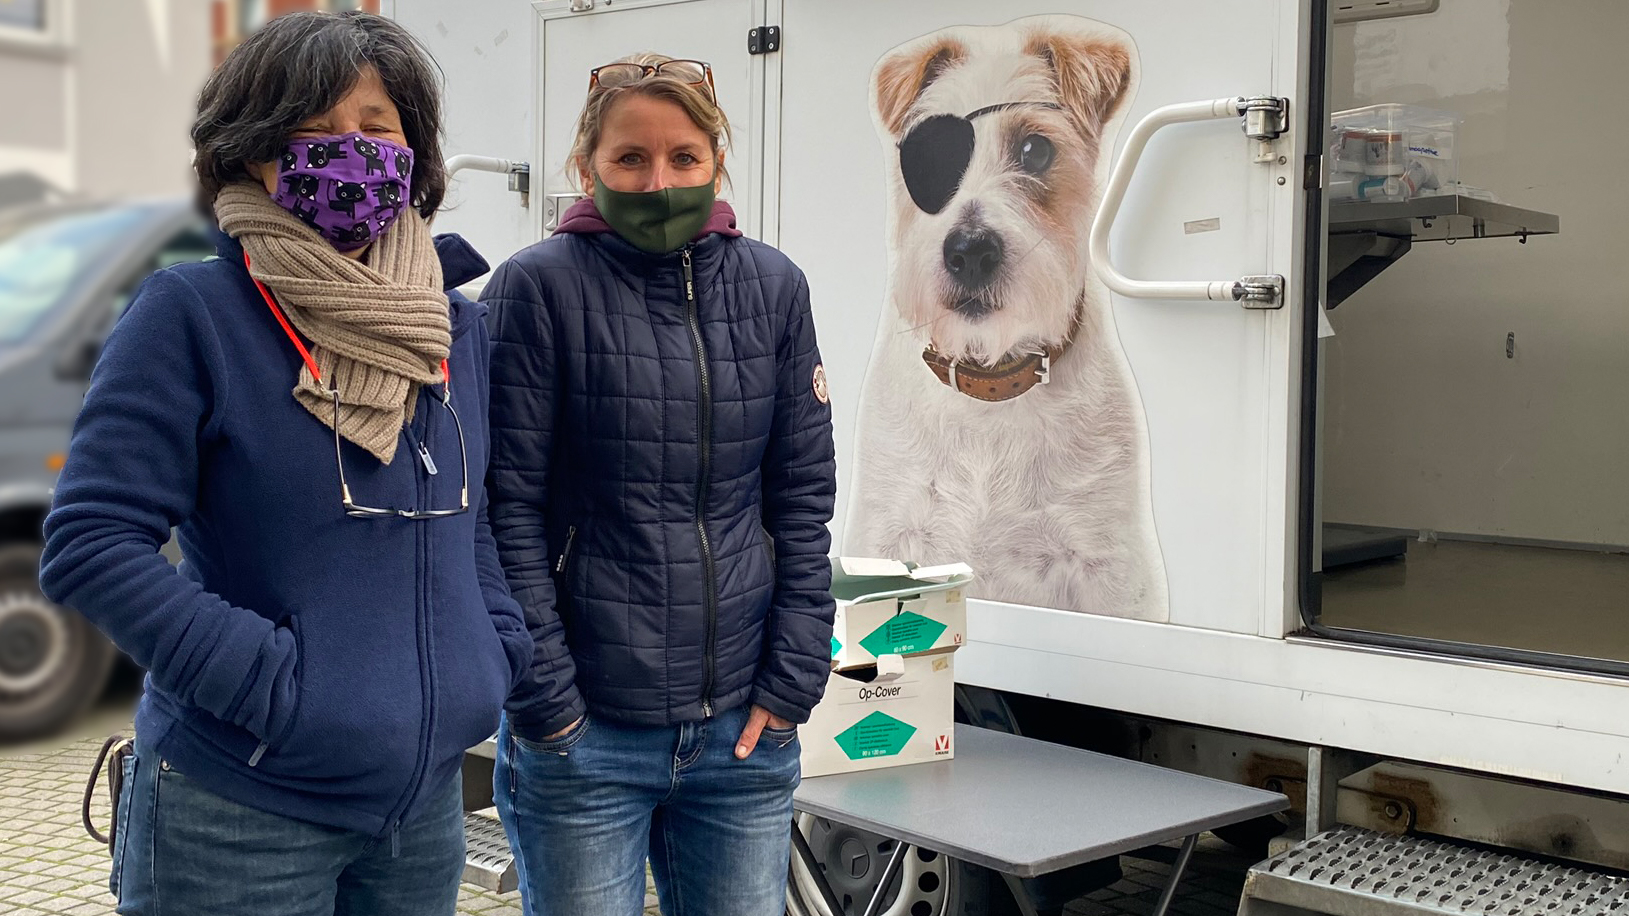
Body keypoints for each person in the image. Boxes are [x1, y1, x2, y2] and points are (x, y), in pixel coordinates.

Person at [38, 12, 531, 916]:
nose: (351, 152)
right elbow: (91, 544)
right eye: (313, 130)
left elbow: (477, 514)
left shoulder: (451, 323)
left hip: (419, 812)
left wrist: (491, 653)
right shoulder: (193, 313)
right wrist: (275, 689)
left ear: (415, 151)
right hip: (241, 809)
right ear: (250, 152)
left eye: (377, 128)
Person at [484, 53, 838, 916]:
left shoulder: (773, 287)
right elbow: (503, 513)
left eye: (682, 157)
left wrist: (791, 683)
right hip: (589, 735)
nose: (658, 180)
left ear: (715, 160)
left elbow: (800, 497)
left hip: (742, 740)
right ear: (585, 168)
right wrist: (549, 705)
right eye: (629, 159)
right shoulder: (536, 288)